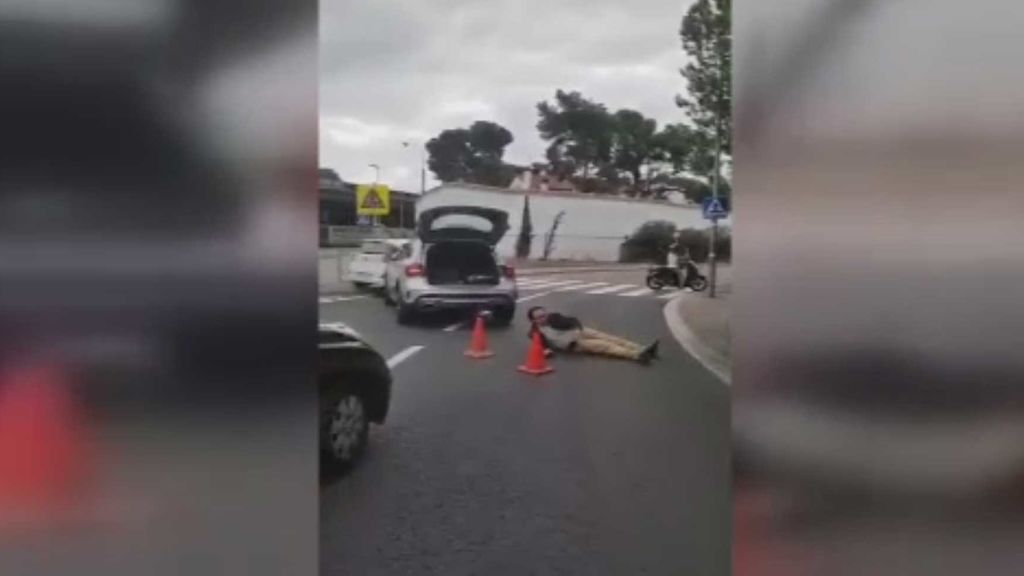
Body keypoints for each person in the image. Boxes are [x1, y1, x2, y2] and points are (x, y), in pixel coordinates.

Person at [526, 306, 659, 364]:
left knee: (611, 338)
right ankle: (637, 355)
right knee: (605, 346)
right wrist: (546, 351)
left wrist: (578, 328)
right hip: (573, 344)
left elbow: (572, 320)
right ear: (533, 320)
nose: (543, 318)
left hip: (580, 331)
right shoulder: (535, 332)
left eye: (544, 314)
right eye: (539, 317)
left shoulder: (553, 317)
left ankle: (642, 347)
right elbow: (540, 345)